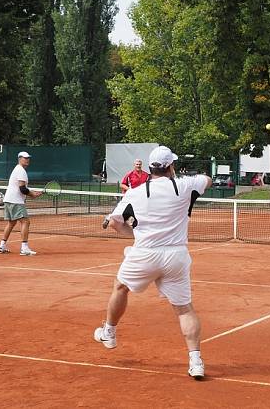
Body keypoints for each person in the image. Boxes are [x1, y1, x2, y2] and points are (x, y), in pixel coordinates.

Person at [94, 145, 212, 380]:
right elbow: (207, 179)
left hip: (145, 253)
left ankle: (109, 331)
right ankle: (196, 361)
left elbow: (117, 223)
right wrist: (182, 178)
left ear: (150, 168)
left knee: (120, 286)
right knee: (184, 309)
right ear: (170, 166)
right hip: (175, 256)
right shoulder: (185, 186)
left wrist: (134, 234)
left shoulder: (135, 192)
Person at [0, 151, 42, 255]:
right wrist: (32, 194)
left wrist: (32, 192)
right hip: (15, 201)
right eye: (25, 158)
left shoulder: (17, 169)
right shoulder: (21, 170)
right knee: (25, 222)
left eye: (28, 158)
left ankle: (2, 246)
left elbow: (22, 187)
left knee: (11, 223)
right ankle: (24, 248)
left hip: (9, 199)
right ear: (19, 159)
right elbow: (22, 189)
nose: (27, 160)